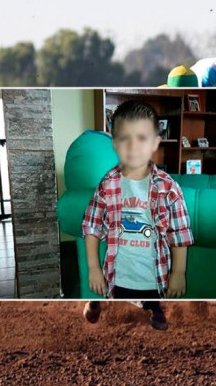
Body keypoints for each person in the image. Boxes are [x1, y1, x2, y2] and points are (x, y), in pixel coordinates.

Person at [81, 100, 194, 330]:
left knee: (154, 298)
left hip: (155, 274)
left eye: (141, 138)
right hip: (117, 274)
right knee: (108, 293)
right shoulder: (107, 185)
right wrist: (93, 267)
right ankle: (95, 302)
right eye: (125, 138)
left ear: (155, 142)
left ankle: (156, 309)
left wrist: (179, 272)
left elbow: (179, 233)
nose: (133, 146)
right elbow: (92, 226)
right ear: (114, 144)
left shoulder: (168, 188)